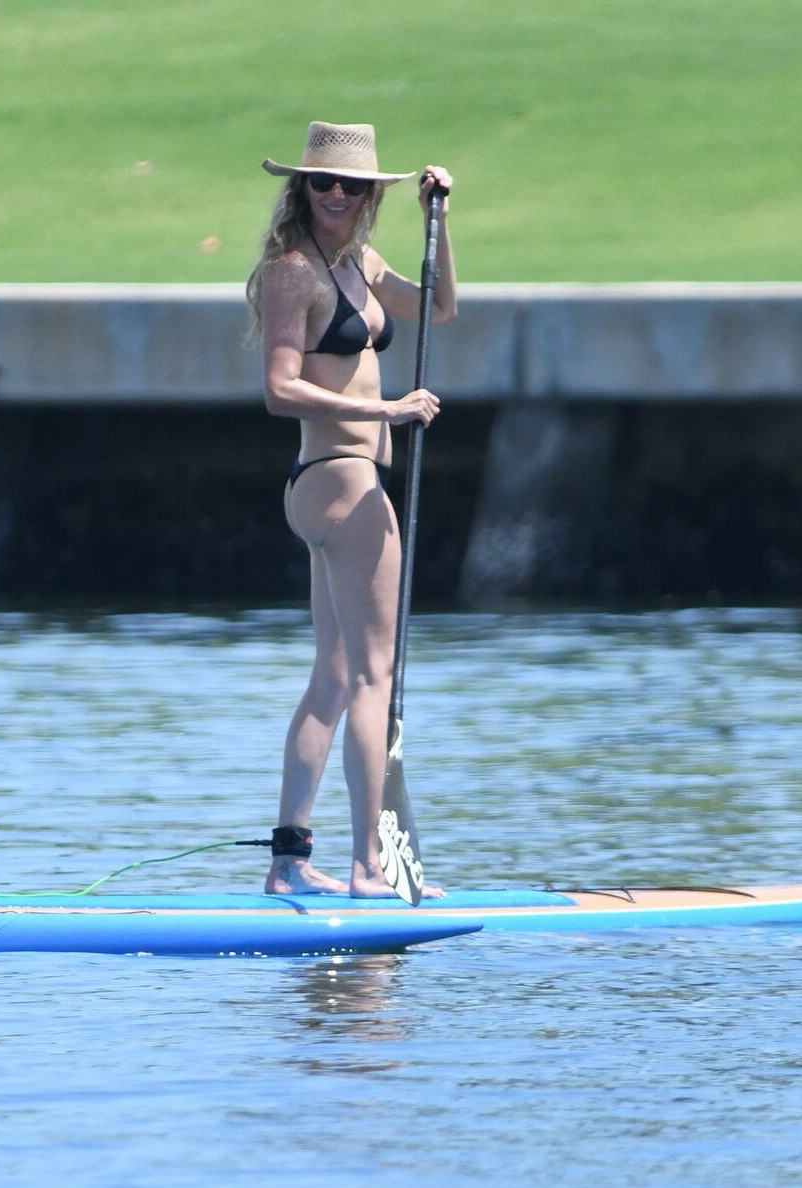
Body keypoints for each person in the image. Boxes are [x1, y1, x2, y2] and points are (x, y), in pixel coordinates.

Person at [247, 120, 456, 897]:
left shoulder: (361, 264)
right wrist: (389, 413)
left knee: (335, 678)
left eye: (352, 185)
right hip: (339, 476)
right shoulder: (291, 274)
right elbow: (278, 389)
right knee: (374, 678)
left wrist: (441, 222)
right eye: (322, 182)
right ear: (301, 188)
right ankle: (371, 866)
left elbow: (438, 306)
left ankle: (289, 861)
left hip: (338, 482)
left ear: (371, 195)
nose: (336, 195)